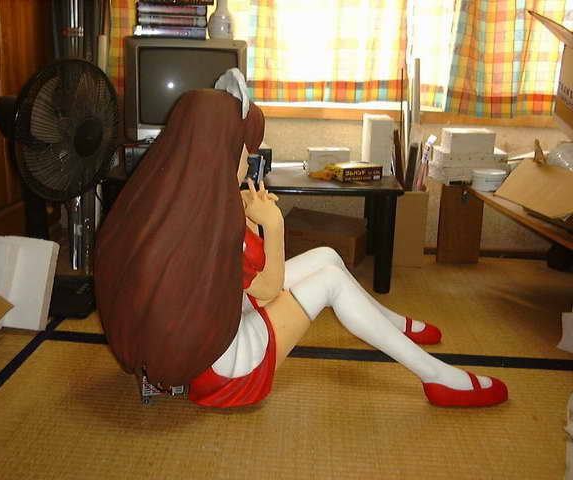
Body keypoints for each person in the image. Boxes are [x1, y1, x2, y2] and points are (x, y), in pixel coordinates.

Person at [94, 87, 508, 409]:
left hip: (202, 338)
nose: (249, 163)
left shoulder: (165, 198)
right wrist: (273, 225)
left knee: (327, 256)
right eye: (245, 153)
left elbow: (235, 275)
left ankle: (392, 324)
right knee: (330, 281)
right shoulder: (212, 221)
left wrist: (249, 217)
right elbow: (266, 289)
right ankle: (438, 377)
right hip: (226, 367)